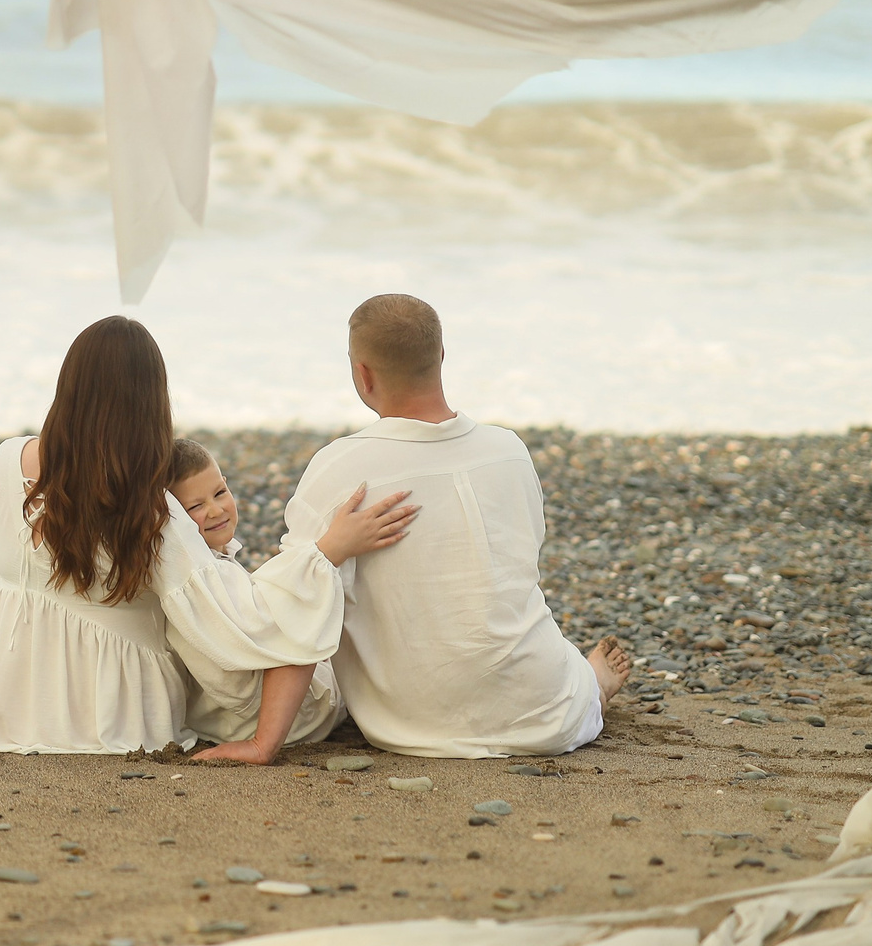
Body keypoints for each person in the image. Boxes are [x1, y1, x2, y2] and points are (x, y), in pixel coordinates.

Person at [0, 316, 416, 756]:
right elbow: (240, 626)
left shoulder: (7, 460)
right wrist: (327, 552)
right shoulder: (149, 508)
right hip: (103, 716)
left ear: (68, 387)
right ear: (150, 402)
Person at [270, 294, 632, 758]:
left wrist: (266, 741)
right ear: (441, 355)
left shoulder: (339, 469)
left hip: (412, 723)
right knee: (558, 666)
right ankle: (590, 686)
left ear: (363, 373)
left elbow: (297, 595)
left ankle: (590, 684)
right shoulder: (509, 451)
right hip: (546, 713)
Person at [167, 438, 350, 763]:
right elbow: (287, 624)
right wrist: (330, 550)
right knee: (314, 589)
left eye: (220, 492)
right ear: (176, 523)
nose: (216, 510)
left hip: (225, 719)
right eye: (195, 507)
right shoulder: (204, 578)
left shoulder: (206, 566)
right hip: (296, 721)